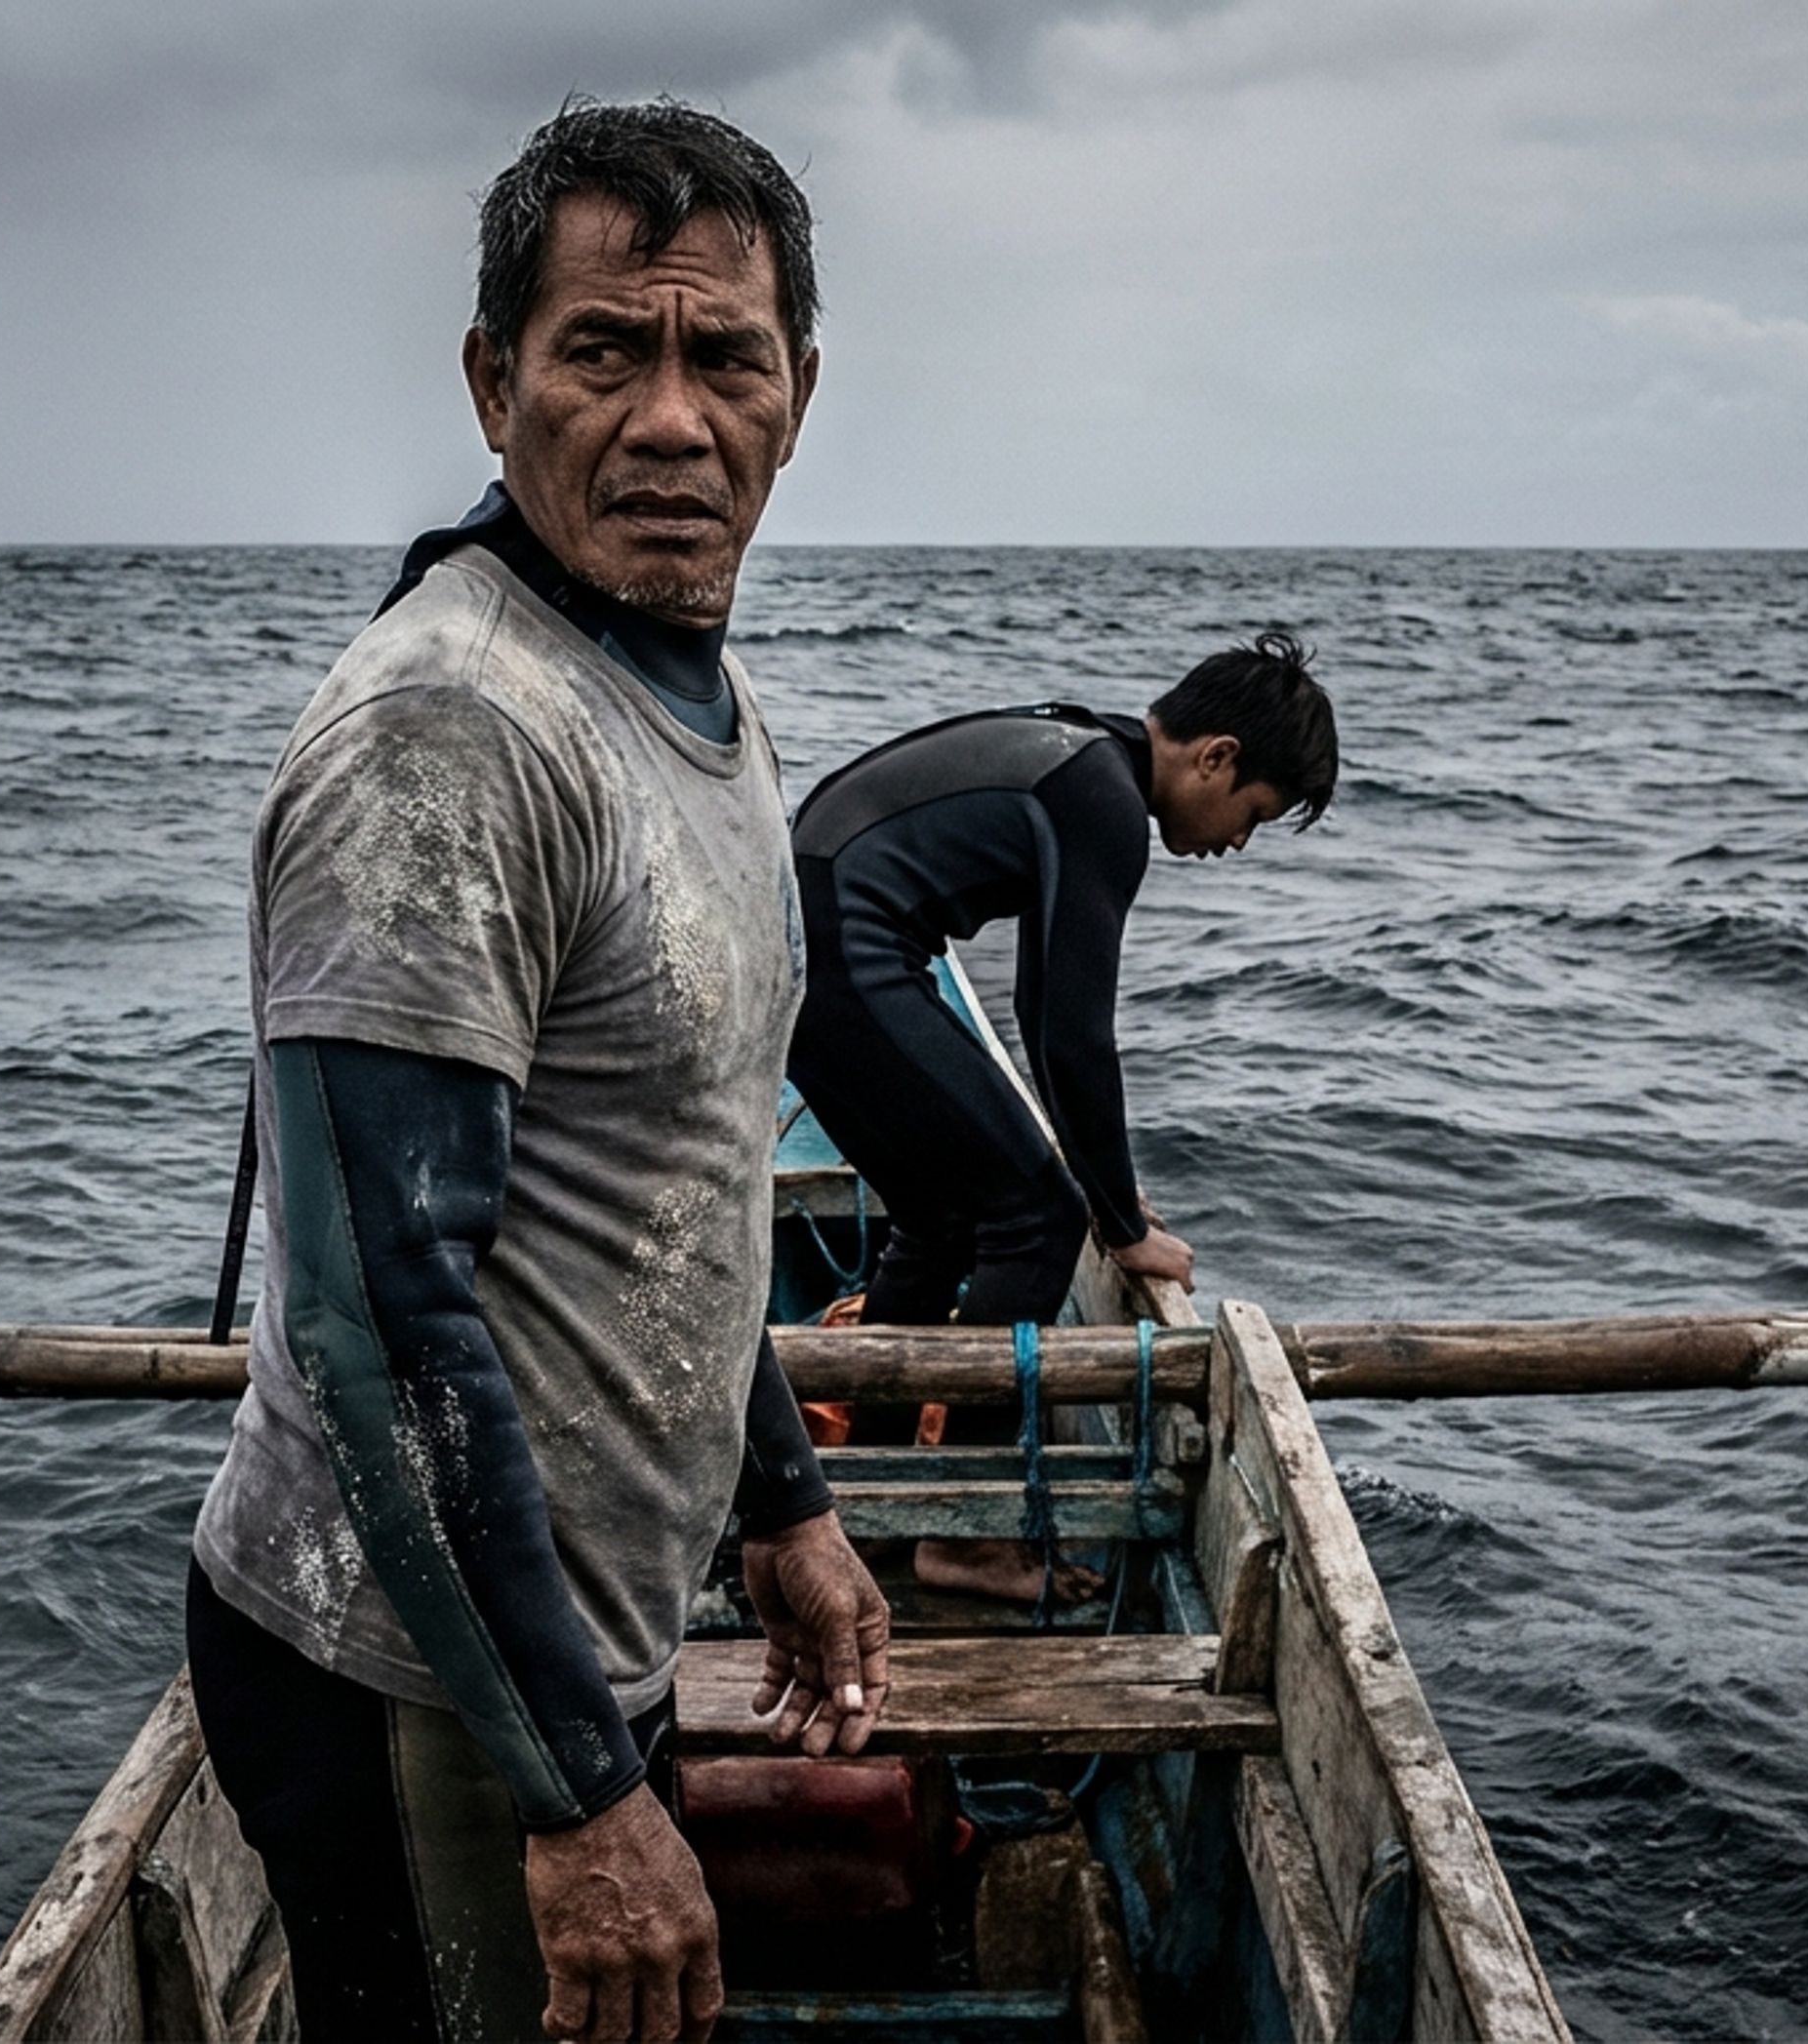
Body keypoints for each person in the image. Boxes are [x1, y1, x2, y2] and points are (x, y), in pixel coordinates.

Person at [184, 100, 890, 2044]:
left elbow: (682, 1177)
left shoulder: (688, 684)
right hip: (417, 1685)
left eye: (723, 357)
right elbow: (378, 1311)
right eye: (604, 351)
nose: (672, 419)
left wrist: (781, 1503)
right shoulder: (450, 729)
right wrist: (581, 1798)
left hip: (574, 1652)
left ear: (796, 395)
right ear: (495, 384)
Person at [783, 636, 1342, 1602]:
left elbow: (1046, 1009)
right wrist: (1117, 1223)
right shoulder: (1106, 804)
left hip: (803, 940)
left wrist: (1102, 1187)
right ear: (1215, 756)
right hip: (841, 950)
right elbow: (1075, 1039)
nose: (1237, 843)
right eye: (1251, 815)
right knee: (1036, 1215)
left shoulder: (1087, 757)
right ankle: (963, 1533)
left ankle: (876, 1489)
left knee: (944, 1214)